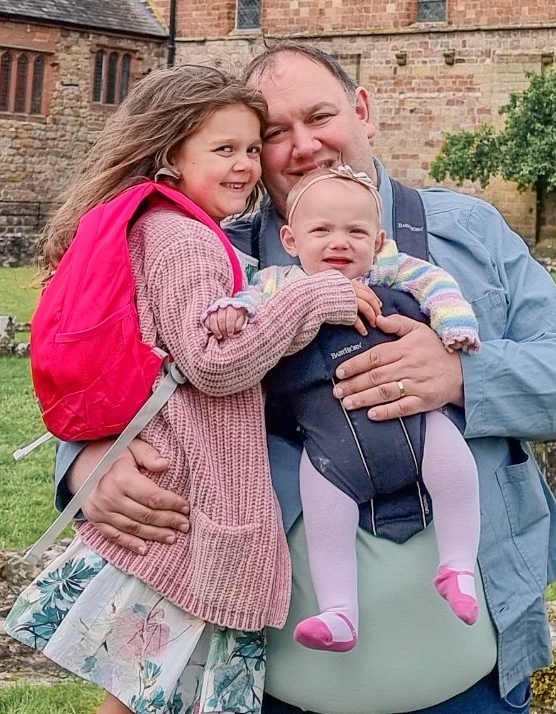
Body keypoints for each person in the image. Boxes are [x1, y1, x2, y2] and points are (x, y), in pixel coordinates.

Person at [60, 41, 556, 714]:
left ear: (364, 111)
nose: (302, 145)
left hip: (471, 711)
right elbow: (98, 368)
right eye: (273, 134)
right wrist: (87, 461)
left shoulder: (469, 231)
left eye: (318, 115)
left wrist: (463, 376)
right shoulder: (213, 252)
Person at [6, 67, 369, 714]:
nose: (244, 165)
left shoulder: (167, 226)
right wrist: (317, 295)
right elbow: (213, 360)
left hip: (193, 505)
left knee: (179, 709)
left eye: (249, 149)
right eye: (222, 148)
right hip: (198, 514)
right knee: (160, 711)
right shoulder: (183, 236)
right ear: (172, 153)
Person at [206, 161, 484, 650]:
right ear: (292, 241)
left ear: (378, 243)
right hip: (329, 449)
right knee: (324, 516)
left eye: (356, 231)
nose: (339, 242)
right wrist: (233, 310)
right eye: (322, 230)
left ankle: (458, 565)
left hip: (416, 427)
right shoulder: (278, 282)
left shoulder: (392, 272)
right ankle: (339, 612)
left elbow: (438, 285)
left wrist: (454, 325)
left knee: (456, 468)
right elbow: (248, 302)